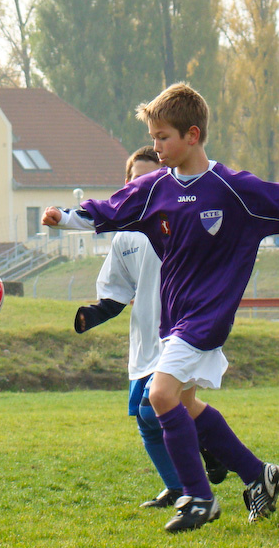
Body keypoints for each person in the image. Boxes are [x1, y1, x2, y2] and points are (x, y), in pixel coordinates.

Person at [44, 82, 279, 533]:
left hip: (207, 319)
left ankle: (198, 498)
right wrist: (63, 217)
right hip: (174, 320)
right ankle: (258, 475)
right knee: (186, 406)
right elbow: (107, 210)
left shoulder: (235, 189)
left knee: (159, 396)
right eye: (152, 137)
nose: (155, 146)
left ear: (193, 135)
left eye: (163, 137)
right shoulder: (153, 190)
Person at [74, 147, 227, 510]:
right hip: (145, 341)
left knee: (152, 410)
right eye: (135, 179)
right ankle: (181, 482)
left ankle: (198, 483)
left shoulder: (180, 221)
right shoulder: (125, 236)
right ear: (127, 184)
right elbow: (117, 292)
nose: (141, 185)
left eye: (150, 178)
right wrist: (91, 315)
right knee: (147, 422)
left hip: (182, 334)